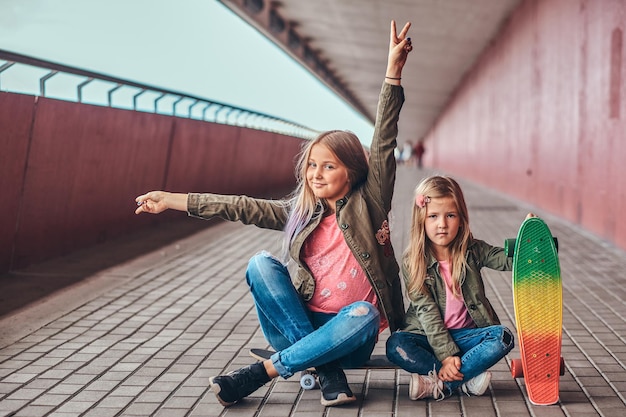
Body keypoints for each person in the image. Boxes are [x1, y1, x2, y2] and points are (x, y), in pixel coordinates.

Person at [135, 20, 413, 408]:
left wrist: (393, 72)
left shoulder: (371, 202)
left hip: (349, 335)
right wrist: (173, 199)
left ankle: (260, 375)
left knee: (366, 312)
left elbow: (384, 138)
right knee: (260, 263)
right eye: (312, 165)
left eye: (328, 166)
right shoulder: (301, 212)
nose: (316, 173)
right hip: (296, 328)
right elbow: (241, 207)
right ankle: (326, 371)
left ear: (352, 170)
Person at [386, 176, 532, 401]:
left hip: (467, 338)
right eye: (433, 216)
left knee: (503, 337)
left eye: (450, 216)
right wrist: (446, 355)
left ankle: (438, 384)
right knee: (396, 345)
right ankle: (466, 377)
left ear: (461, 219)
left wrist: (529, 237)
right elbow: (427, 312)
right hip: (428, 337)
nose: (442, 224)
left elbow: (508, 260)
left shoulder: (473, 250)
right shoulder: (413, 261)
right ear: (421, 220)